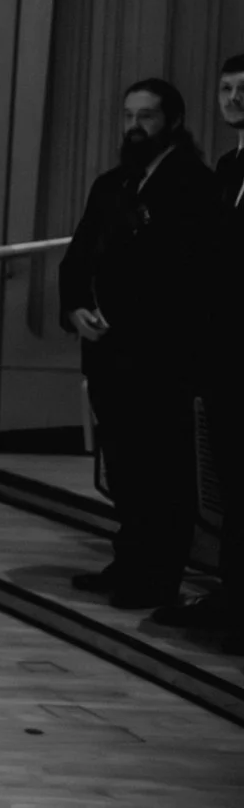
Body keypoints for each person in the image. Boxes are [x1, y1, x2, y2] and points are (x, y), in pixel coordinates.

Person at [58, 77, 217, 610]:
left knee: (161, 471)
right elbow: (77, 258)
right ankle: (128, 561)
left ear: (172, 121)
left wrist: (124, 319)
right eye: (128, 116)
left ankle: (156, 577)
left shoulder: (194, 184)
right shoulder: (113, 184)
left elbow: (185, 278)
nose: (134, 126)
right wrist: (75, 308)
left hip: (159, 358)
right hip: (107, 355)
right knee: (124, 470)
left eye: (145, 116)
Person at [150, 54, 242, 649]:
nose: (233, 98)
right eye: (227, 88)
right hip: (225, 354)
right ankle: (231, 599)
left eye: (243, 89)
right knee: (232, 486)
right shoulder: (231, 165)